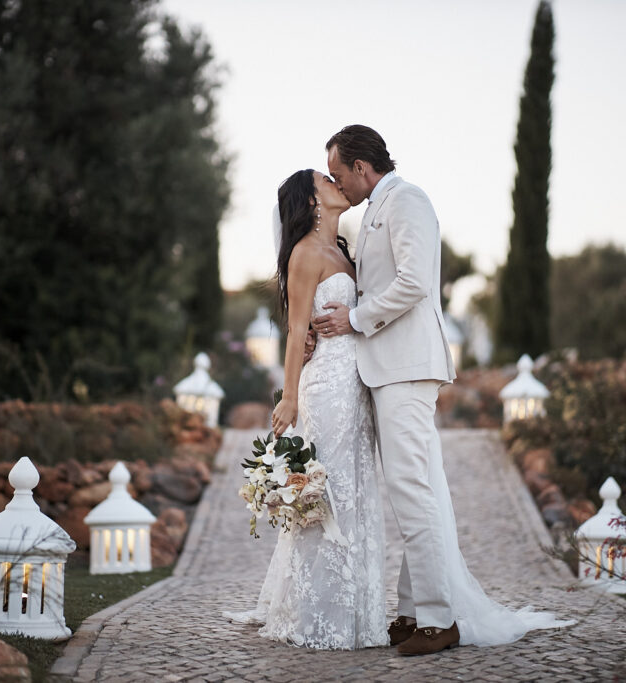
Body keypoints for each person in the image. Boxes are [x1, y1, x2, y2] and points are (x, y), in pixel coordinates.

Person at [313, 125, 572, 655]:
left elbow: (413, 285)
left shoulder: (407, 201)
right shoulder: (377, 209)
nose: (339, 184)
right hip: (390, 367)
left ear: (362, 167)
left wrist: (356, 318)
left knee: (412, 490)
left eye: (340, 174)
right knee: (415, 486)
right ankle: (412, 613)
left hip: (406, 366)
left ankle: (438, 620)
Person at [222, 169, 388, 649]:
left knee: (355, 489)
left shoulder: (343, 251)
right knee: (329, 489)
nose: (337, 182)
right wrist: (289, 396)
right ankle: (318, 611)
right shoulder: (304, 254)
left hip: (357, 385)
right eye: (326, 179)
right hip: (326, 388)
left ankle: (359, 610)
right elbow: (297, 330)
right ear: (312, 200)